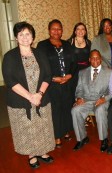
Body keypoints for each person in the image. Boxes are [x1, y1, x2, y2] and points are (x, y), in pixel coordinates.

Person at [2, 22, 54, 169]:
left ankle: (42, 152)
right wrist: (30, 97)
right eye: (21, 34)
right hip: (21, 100)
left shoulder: (40, 54)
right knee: (28, 128)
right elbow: (10, 80)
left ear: (32, 37)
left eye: (28, 34)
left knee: (43, 126)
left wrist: (39, 94)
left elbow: (48, 75)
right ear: (16, 38)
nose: (25, 37)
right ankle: (32, 154)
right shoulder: (9, 57)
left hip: (41, 98)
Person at [37, 19, 75, 148]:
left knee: (66, 107)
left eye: (59, 29)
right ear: (49, 30)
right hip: (51, 84)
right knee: (55, 109)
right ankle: (57, 135)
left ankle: (65, 131)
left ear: (62, 31)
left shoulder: (67, 45)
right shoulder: (42, 46)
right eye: (53, 29)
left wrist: (70, 75)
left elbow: (74, 63)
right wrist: (53, 78)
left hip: (67, 83)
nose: (56, 31)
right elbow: (41, 66)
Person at [71, 50, 112, 152]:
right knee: (75, 110)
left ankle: (104, 139)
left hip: (101, 100)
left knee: (100, 110)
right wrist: (79, 98)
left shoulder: (109, 72)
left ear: (101, 59)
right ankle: (82, 138)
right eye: (93, 58)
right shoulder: (82, 72)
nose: (95, 60)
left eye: (97, 58)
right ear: (89, 60)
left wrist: (104, 99)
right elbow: (79, 89)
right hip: (86, 100)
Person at [68, 22, 92, 126]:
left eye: (83, 29)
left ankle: (85, 116)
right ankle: (75, 118)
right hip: (74, 70)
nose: (81, 31)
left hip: (86, 70)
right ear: (75, 31)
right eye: (78, 29)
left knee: (85, 93)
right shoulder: (69, 42)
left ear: (85, 31)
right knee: (74, 93)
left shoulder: (89, 42)